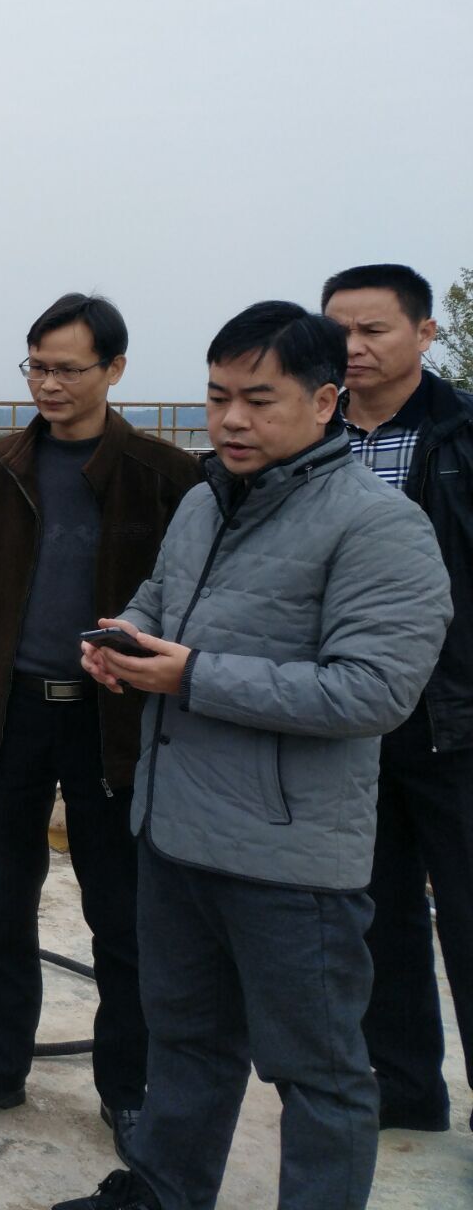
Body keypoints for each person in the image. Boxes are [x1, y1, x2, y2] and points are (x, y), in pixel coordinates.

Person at [54, 301, 451, 1210]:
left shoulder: (379, 526)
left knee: (319, 1072)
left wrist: (190, 676)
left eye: (258, 400)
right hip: (175, 830)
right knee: (185, 1038)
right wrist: (124, 639)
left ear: (324, 402)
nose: (231, 420)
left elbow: (373, 692)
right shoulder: (205, 502)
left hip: (289, 860)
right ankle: (163, 1190)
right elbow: (161, 598)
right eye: (217, 397)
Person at [0, 294, 201, 1158]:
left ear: (114, 369)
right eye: (36, 367)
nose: (48, 384)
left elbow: (193, 607)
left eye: (67, 369)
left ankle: (129, 1087)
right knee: (4, 902)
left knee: (121, 914)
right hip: (12, 715)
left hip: (114, 724)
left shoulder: (165, 477)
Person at [322, 263, 473, 1134]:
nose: (353, 347)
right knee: (375, 916)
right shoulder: (311, 437)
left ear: (424, 333)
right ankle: (406, 1086)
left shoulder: (461, 435)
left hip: (454, 716)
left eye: (373, 329)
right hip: (346, 718)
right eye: (338, 331)